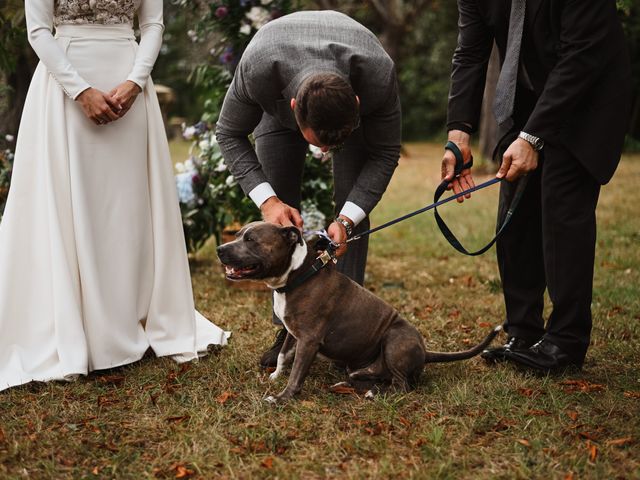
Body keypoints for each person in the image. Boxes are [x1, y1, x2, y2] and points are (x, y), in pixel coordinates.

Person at [0, 0, 229, 392]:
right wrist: (80, 90)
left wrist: (136, 80)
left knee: (127, 209)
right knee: (76, 205)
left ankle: (128, 319)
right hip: (64, 85)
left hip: (130, 87)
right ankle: (77, 326)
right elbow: (38, 30)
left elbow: (153, 25)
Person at [442, 0, 631, 373]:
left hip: (587, 96)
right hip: (526, 98)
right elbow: (470, 52)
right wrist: (458, 133)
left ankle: (565, 342)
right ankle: (523, 331)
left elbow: (583, 54)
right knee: (514, 216)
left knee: (561, 211)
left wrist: (533, 137)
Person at [215, 10, 401, 368]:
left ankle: (347, 330)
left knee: (352, 214)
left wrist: (347, 220)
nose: (327, 152)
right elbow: (228, 133)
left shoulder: (377, 76)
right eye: (320, 143)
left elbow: (386, 152)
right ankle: (287, 331)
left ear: (357, 105)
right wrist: (268, 201)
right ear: (295, 109)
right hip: (280, 84)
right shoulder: (259, 68)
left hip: (347, 90)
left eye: (336, 142)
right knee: (278, 204)